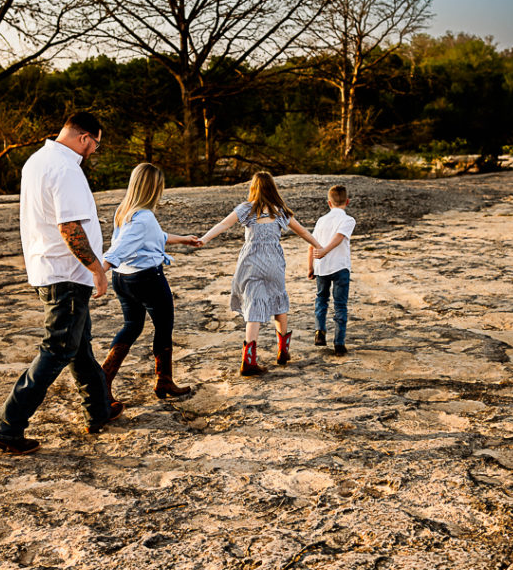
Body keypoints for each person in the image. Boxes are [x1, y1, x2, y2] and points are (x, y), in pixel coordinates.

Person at [0, 112, 121, 455]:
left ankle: (98, 411)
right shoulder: (66, 169)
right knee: (58, 349)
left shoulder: (36, 161)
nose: (93, 152)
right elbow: (69, 228)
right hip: (66, 274)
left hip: (49, 270)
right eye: (95, 144)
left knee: (80, 346)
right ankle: (8, 427)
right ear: (84, 138)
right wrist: (97, 269)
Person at [199, 171, 320, 375]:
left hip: (251, 263)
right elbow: (303, 232)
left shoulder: (246, 209)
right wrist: (319, 247)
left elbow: (223, 225)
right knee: (279, 301)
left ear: (253, 188)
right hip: (273, 262)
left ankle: (249, 360)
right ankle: (283, 350)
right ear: (272, 189)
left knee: (254, 307)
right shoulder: (279, 210)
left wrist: (204, 239)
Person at [99, 163, 201, 402]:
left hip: (123, 279)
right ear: (153, 188)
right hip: (147, 279)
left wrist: (183, 240)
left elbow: (154, 237)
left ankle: (104, 379)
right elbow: (120, 248)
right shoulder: (144, 217)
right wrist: (98, 272)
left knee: (132, 326)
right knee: (164, 326)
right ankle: (162, 380)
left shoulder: (125, 210)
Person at [308, 184, 356, 357]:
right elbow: (339, 237)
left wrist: (311, 266)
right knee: (340, 304)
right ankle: (339, 342)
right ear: (347, 201)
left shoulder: (321, 220)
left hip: (321, 267)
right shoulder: (348, 220)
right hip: (340, 267)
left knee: (321, 299)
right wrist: (326, 250)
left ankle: (319, 331)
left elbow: (311, 244)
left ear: (329, 203)